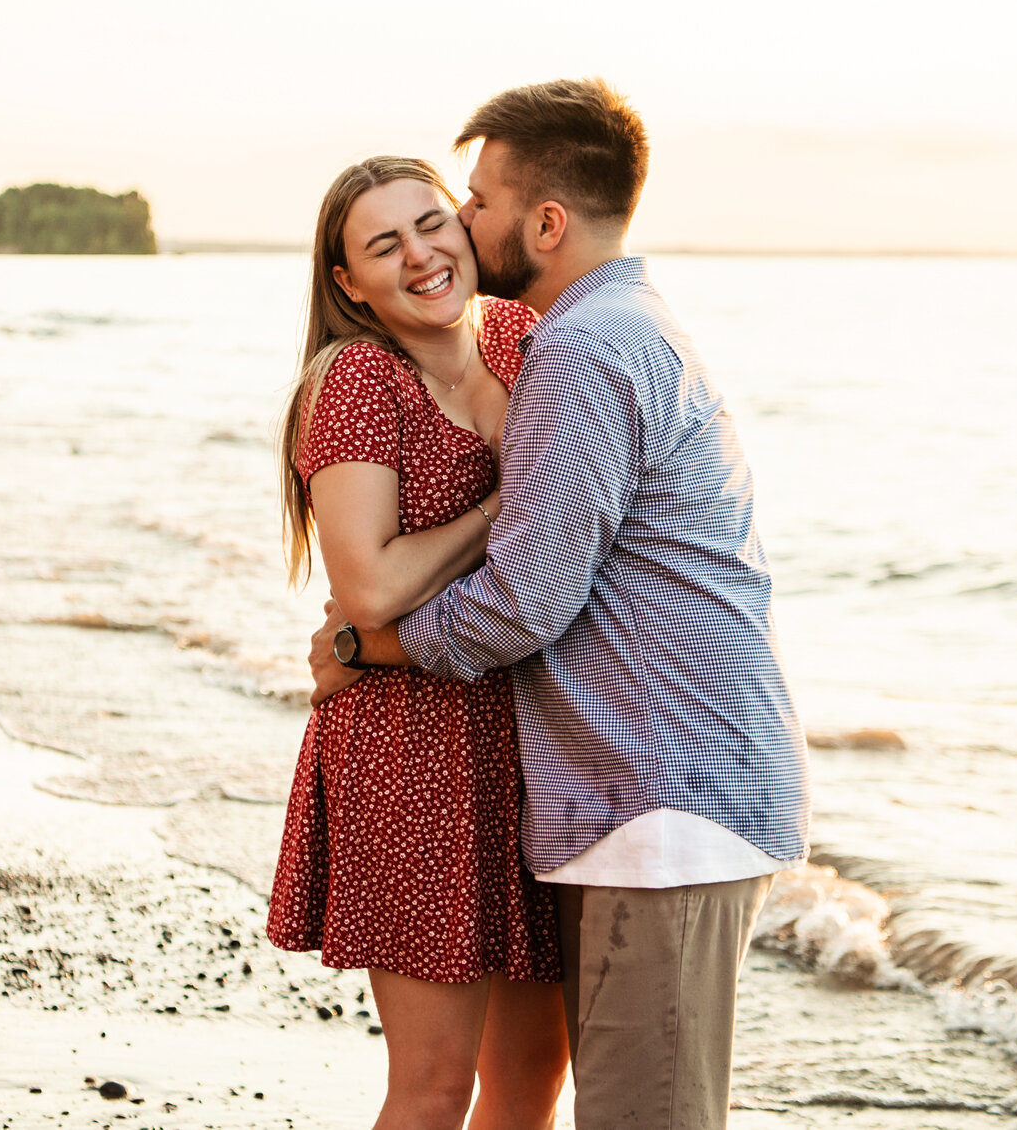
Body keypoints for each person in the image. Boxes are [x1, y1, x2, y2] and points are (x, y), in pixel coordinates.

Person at [310, 80, 812, 1130]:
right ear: (346, 279)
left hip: (657, 792)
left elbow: (525, 600)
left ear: (544, 223)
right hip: (638, 787)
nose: (458, 225)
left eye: (470, 203)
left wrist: (375, 647)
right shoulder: (604, 330)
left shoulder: (575, 351)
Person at [268, 156, 570, 1130]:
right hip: (408, 756)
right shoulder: (357, 378)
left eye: (432, 224)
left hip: (533, 748)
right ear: (348, 282)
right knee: (433, 1087)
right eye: (382, 244)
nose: (421, 254)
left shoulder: (525, 339)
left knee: (529, 1083)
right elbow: (370, 585)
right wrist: (508, 495)